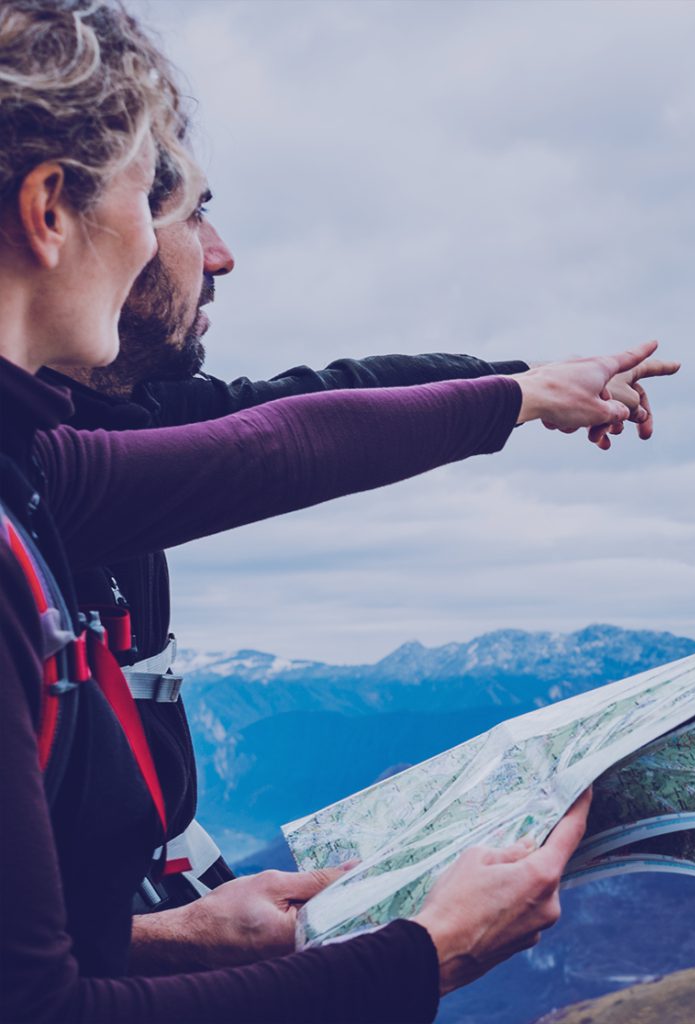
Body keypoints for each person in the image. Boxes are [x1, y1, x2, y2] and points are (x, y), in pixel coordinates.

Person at [0, 2, 657, 1019]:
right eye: (147, 199)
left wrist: (523, 389)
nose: (171, 250)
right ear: (50, 208)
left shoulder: (32, 465)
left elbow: (281, 438)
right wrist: (424, 954)